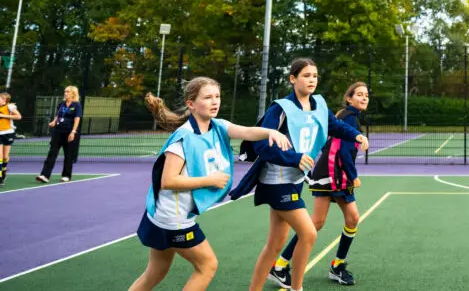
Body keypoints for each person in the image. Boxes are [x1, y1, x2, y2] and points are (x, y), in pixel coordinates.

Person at [128, 76, 292, 291]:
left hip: (164, 213)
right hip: (172, 218)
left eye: (217, 96)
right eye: (207, 97)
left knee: (156, 271)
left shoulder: (218, 126)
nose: (215, 102)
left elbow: (247, 132)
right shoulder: (183, 139)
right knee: (207, 266)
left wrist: (271, 131)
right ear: (191, 104)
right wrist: (210, 180)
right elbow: (168, 181)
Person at [230, 58, 370, 291]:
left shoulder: (318, 105)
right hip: (276, 180)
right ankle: (297, 288)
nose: (312, 80)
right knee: (308, 233)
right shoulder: (281, 108)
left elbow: (334, 125)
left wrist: (355, 135)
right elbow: (261, 145)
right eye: (306, 75)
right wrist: (294, 158)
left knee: (275, 245)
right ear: (293, 79)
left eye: (315, 76)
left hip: (294, 180)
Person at [270, 82, 370, 288]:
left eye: (366, 95)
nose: (364, 98)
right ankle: (283, 266)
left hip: (330, 171)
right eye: (359, 94)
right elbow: (343, 150)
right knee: (327, 221)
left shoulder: (346, 116)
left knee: (337, 220)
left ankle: (332, 265)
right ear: (349, 98)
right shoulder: (350, 117)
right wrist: (353, 175)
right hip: (334, 173)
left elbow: (329, 142)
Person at [36, 85, 82, 183]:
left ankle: (66, 175)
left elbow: (77, 119)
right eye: (65, 91)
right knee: (52, 153)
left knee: (68, 155)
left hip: (69, 132)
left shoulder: (77, 105)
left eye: (68, 92)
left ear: (73, 93)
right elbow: (58, 115)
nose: (65, 93)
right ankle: (45, 175)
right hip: (58, 131)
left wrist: (73, 132)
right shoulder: (62, 104)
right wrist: (53, 122)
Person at [0, 91, 22, 186]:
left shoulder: (10, 107)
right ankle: (0, 176)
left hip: (8, 133)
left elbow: (19, 116)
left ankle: (4, 170)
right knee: (0, 156)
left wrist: (3, 115)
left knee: (5, 156)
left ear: (4, 100)